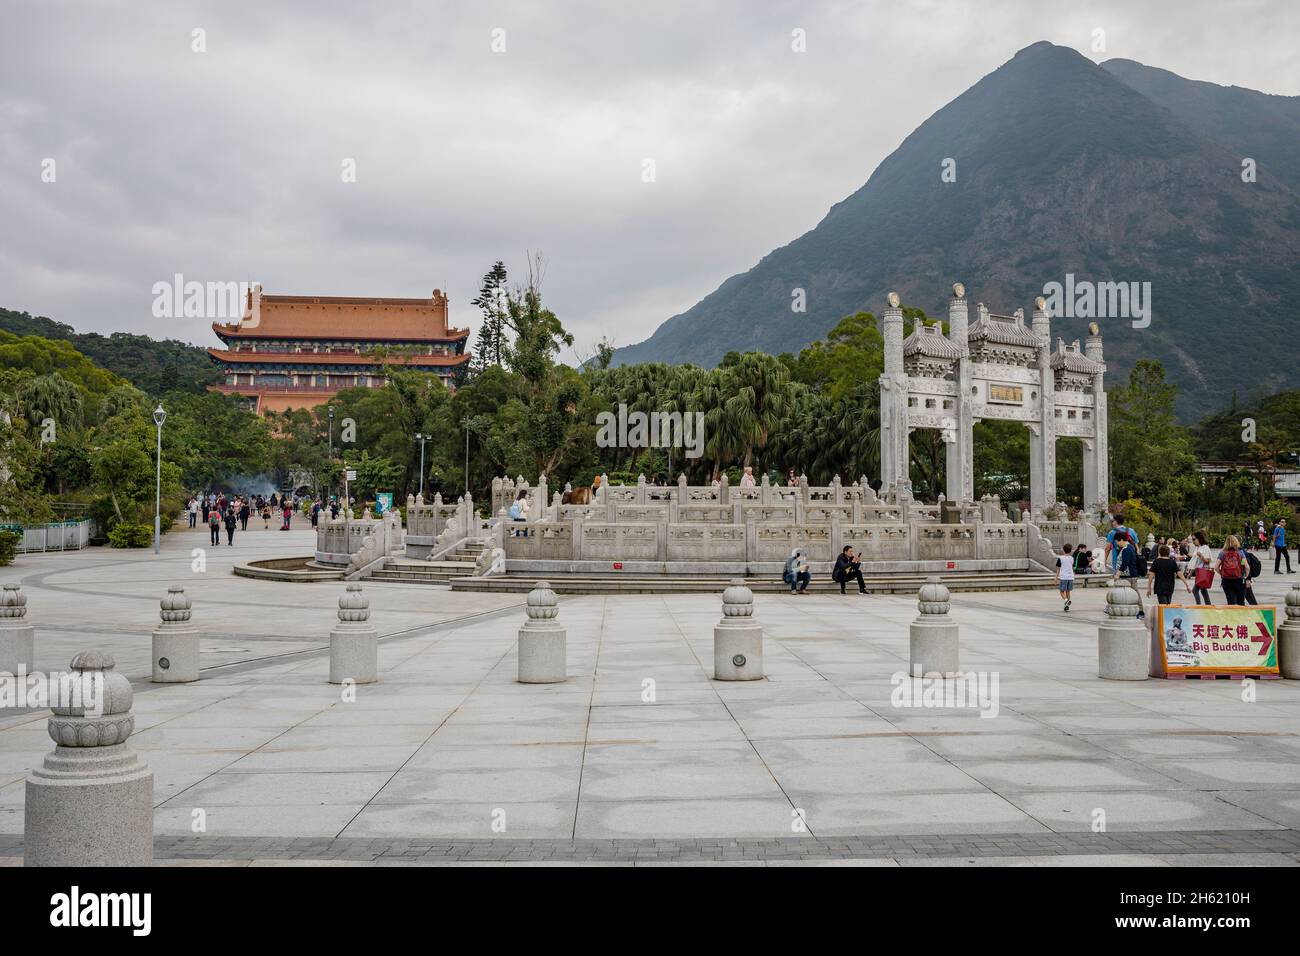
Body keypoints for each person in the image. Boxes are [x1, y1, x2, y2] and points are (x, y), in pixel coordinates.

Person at [1111, 532, 1145, 619]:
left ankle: (1141, 611)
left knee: (1135, 593)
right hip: (1128, 575)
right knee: (1133, 593)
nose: (1117, 544)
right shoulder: (1130, 547)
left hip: (1129, 575)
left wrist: (1118, 574)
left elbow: (1125, 563)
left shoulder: (1126, 549)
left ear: (1121, 540)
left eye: (1117, 542)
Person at [1214, 535, 1248, 605]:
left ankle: (1232, 615)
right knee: (1241, 602)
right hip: (1239, 580)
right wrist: (1245, 576)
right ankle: (1240, 615)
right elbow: (1246, 566)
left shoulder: (1222, 553)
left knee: (1231, 602)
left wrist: (1222, 573)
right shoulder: (1240, 552)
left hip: (1226, 580)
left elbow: (1216, 567)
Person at [1189, 531, 1214, 605]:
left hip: (1203, 572)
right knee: (1203, 590)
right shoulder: (1197, 548)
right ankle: (1208, 605)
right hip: (1198, 572)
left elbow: (1207, 561)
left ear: (1199, 539)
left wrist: (1201, 556)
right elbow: (1195, 563)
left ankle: (1198, 605)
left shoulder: (1205, 547)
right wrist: (1190, 573)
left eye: (1194, 539)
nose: (1193, 541)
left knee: (1195, 590)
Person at [1054, 543, 1075, 612]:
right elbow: (1071, 567)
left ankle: (1066, 600)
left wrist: (1056, 578)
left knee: (1061, 591)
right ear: (1070, 551)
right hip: (1070, 577)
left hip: (1064, 577)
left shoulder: (1060, 558)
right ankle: (1067, 606)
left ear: (1063, 550)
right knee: (1068, 591)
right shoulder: (1072, 558)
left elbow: (1058, 569)